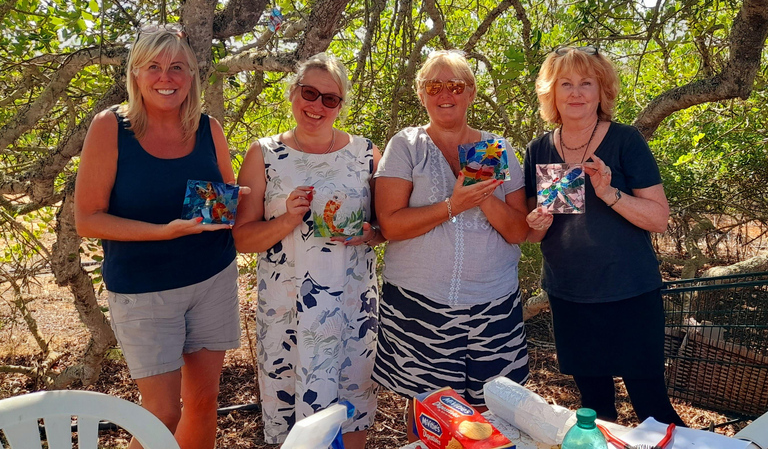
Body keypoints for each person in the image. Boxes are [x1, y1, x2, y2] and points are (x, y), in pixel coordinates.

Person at [74, 25, 241, 449]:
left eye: (177, 68)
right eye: (154, 67)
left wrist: (259, 203)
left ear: (191, 77)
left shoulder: (209, 128)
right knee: (162, 414)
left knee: (204, 402)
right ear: (135, 74)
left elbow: (226, 203)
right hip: (144, 289)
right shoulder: (110, 127)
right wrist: (163, 232)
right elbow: (88, 220)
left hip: (212, 279)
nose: (166, 78)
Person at [373, 50, 530, 442]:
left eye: (455, 85)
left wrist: (482, 197)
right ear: (421, 94)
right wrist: (451, 206)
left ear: (471, 92)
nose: (445, 94)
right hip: (418, 304)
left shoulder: (496, 148)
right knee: (428, 408)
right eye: (434, 86)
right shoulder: (405, 145)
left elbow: (517, 231)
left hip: (493, 306)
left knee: (487, 412)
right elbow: (391, 225)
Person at [524, 45, 685, 426]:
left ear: (602, 92)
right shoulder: (539, 149)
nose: (576, 93)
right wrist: (536, 223)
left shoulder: (625, 141)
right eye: (566, 84)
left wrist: (610, 194)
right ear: (552, 93)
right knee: (594, 410)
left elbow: (659, 218)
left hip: (629, 292)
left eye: (586, 83)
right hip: (570, 296)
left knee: (652, 407)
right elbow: (532, 235)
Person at [233, 53, 383, 449]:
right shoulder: (263, 154)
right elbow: (242, 238)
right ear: (293, 93)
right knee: (292, 418)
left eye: (329, 99)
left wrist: (369, 233)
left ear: (341, 104)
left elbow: (386, 227)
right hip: (288, 308)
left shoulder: (367, 153)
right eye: (309, 93)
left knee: (352, 405)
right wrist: (285, 219)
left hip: (352, 304)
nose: (316, 106)